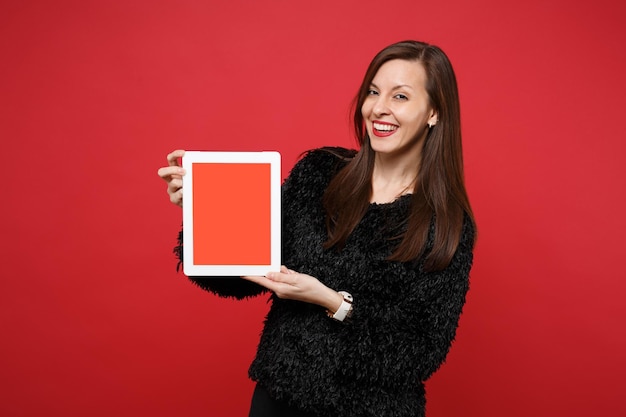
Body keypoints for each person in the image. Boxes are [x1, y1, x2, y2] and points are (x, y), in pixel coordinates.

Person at [157, 40, 476, 417]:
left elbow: (419, 353)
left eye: (400, 96)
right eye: (373, 91)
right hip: (279, 398)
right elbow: (234, 274)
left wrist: (332, 301)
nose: (379, 108)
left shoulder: (446, 223)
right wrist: (203, 211)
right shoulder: (318, 173)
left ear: (434, 112)